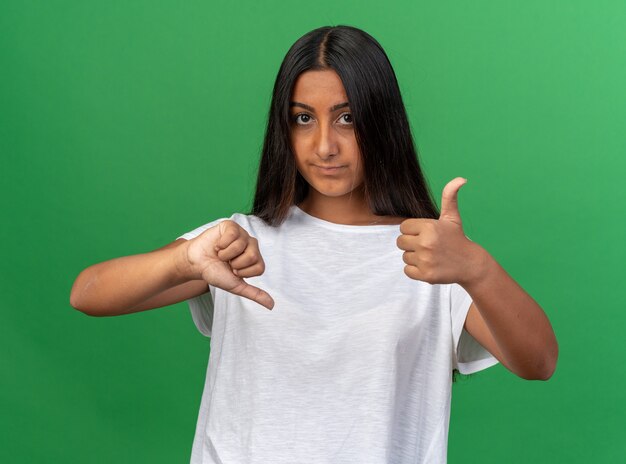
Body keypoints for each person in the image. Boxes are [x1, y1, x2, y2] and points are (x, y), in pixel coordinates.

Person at [70, 25, 558, 464]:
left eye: (347, 119)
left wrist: (477, 268)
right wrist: (183, 260)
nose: (324, 145)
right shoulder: (238, 242)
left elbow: (539, 362)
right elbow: (88, 293)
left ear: (382, 123)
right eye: (304, 119)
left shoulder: (430, 255)